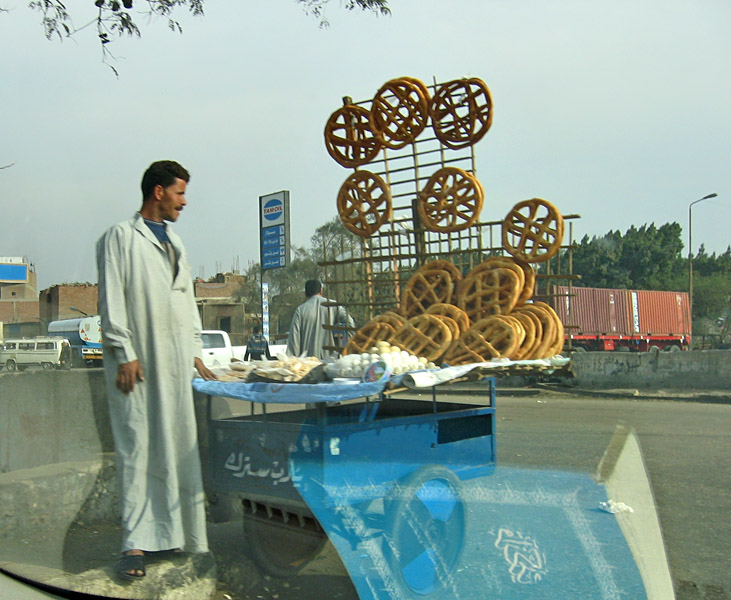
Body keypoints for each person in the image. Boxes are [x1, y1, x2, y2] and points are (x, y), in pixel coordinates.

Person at [96, 160, 217, 581]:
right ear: (158, 192)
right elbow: (112, 298)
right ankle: (133, 544)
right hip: (138, 364)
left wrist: (196, 350)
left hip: (175, 362)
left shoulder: (177, 245)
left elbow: (185, 301)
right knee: (138, 448)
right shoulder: (119, 238)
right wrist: (124, 350)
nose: (184, 201)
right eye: (179, 193)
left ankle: (181, 536)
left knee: (179, 445)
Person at [286, 279, 354, 360]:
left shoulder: (301, 310)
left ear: (305, 293)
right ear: (321, 291)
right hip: (330, 363)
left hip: (307, 365)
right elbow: (350, 323)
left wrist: (293, 360)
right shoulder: (333, 306)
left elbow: (294, 339)